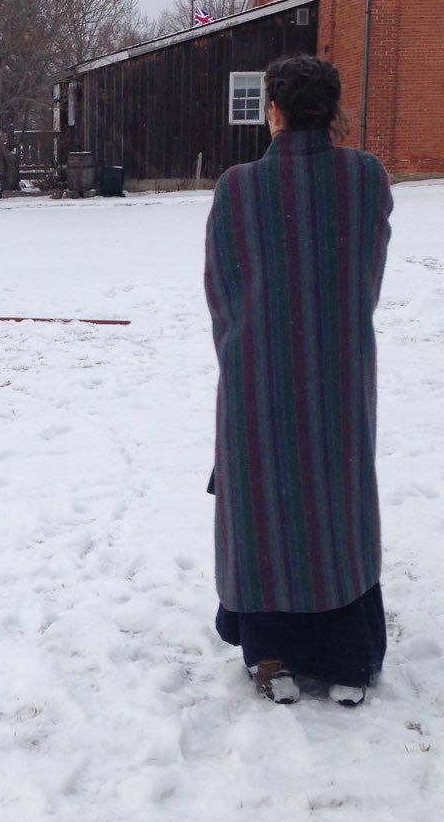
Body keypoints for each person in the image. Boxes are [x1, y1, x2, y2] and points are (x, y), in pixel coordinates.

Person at [204, 54, 393, 707]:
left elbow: (223, 293)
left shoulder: (237, 187)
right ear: (333, 110)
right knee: (336, 506)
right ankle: (347, 660)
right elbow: (365, 276)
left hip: (257, 377)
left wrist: (248, 353)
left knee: (265, 512)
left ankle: (273, 656)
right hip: (338, 377)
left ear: (273, 111)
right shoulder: (366, 179)